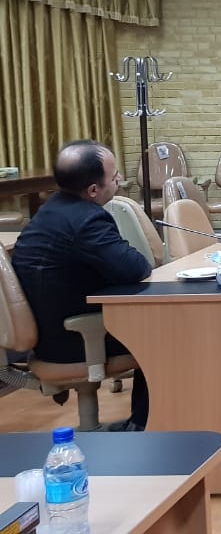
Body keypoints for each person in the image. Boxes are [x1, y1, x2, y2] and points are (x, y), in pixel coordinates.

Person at [11, 140, 151, 430]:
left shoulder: (50, 211)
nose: (119, 180)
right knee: (167, 335)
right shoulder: (87, 220)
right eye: (114, 176)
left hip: (49, 336)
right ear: (93, 190)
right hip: (78, 338)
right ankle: (146, 427)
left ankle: (144, 422)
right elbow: (135, 268)